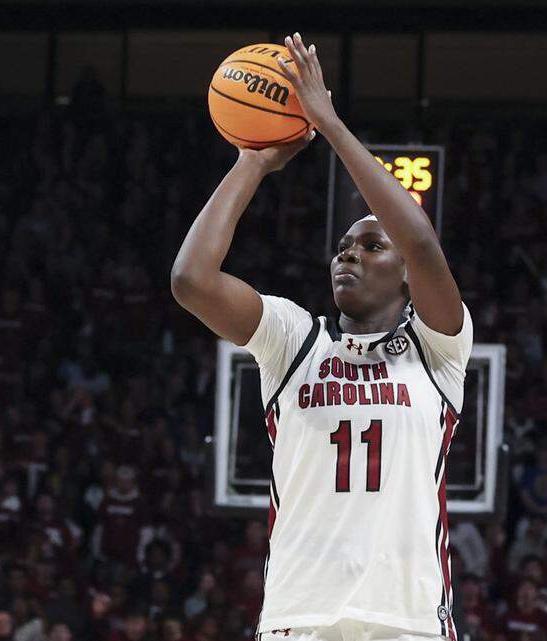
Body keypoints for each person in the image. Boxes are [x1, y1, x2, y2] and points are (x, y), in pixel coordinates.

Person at [170, 32, 472, 641]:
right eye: (341, 247)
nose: (348, 256)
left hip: (407, 622)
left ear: (407, 276)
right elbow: (191, 280)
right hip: (297, 619)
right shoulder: (294, 341)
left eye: (369, 246)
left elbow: (418, 240)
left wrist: (329, 126)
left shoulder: (439, 348)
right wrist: (252, 160)